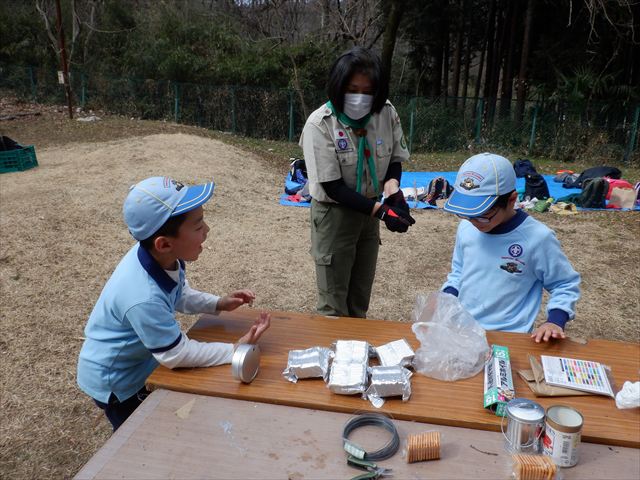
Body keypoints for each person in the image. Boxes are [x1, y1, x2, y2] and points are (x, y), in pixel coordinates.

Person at [77, 176, 271, 431]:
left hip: (143, 361)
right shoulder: (141, 295)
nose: (207, 230)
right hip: (118, 380)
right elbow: (176, 354)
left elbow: (180, 293)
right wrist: (235, 349)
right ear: (164, 243)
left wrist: (220, 303)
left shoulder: (160, 257)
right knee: (138, 434)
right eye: (198, 225)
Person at [299, 46, 415, 318]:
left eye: (367, 91)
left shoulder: (385, 112)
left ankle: (355, 356)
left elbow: (394, 159)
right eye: (353, 89)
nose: (360, 98)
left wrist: (392, 192)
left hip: (370, 214)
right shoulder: (320, 125)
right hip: (334, 216)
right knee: (333, 306)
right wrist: (383, 212)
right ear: (338, 87)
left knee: (359, 299)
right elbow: (333, 187)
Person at [441, 153, 580, 343]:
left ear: (512, 199)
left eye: (483, 215)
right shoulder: (466, 227)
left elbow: (564, 283)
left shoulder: (538, 238)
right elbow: (458, 272)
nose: (474, 222)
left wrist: (555, 320)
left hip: (508, 336)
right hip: (462, 330)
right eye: (467, 214)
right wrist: (446, 301)